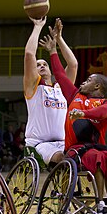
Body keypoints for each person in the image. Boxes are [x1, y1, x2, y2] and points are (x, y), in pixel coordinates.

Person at [42, 28, 107, 214]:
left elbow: (102, 112)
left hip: (96, 146)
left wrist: (83, 112)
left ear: (97, 86)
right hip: (75, 149)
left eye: (88, 80)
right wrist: (53, 50)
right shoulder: (74, 95)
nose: (83, 82)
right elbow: (60, 74)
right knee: (97, 156)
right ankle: (100, 204)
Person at [24, 17, 77, 167]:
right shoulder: (33, 87)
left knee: (79, 156)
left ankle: (67, 189)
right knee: (64, 157)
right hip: (39, 144)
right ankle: (66, 190)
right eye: (38, 64)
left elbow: (73, 64)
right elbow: (29, 55)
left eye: (45, 64)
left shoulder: (60, 88)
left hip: (62, 142)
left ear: (49, 69)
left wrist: (58, 38)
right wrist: (38, 26)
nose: (41, 66)